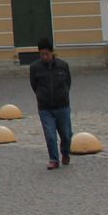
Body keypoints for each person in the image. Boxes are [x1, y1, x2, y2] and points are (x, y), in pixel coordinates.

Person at [29, 36, 73, 170]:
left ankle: (65, 153)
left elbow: (68, 83)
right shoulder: (35, 68)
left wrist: (63, 94)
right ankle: (53, 159)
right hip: (45, 108)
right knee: (50, 135)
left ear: (52, 52)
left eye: (46, 54)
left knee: (66, 134)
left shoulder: (63, 66)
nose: (44, 57)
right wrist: (41, 96)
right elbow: (34, 85)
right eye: (41, 54)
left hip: (62, 106)